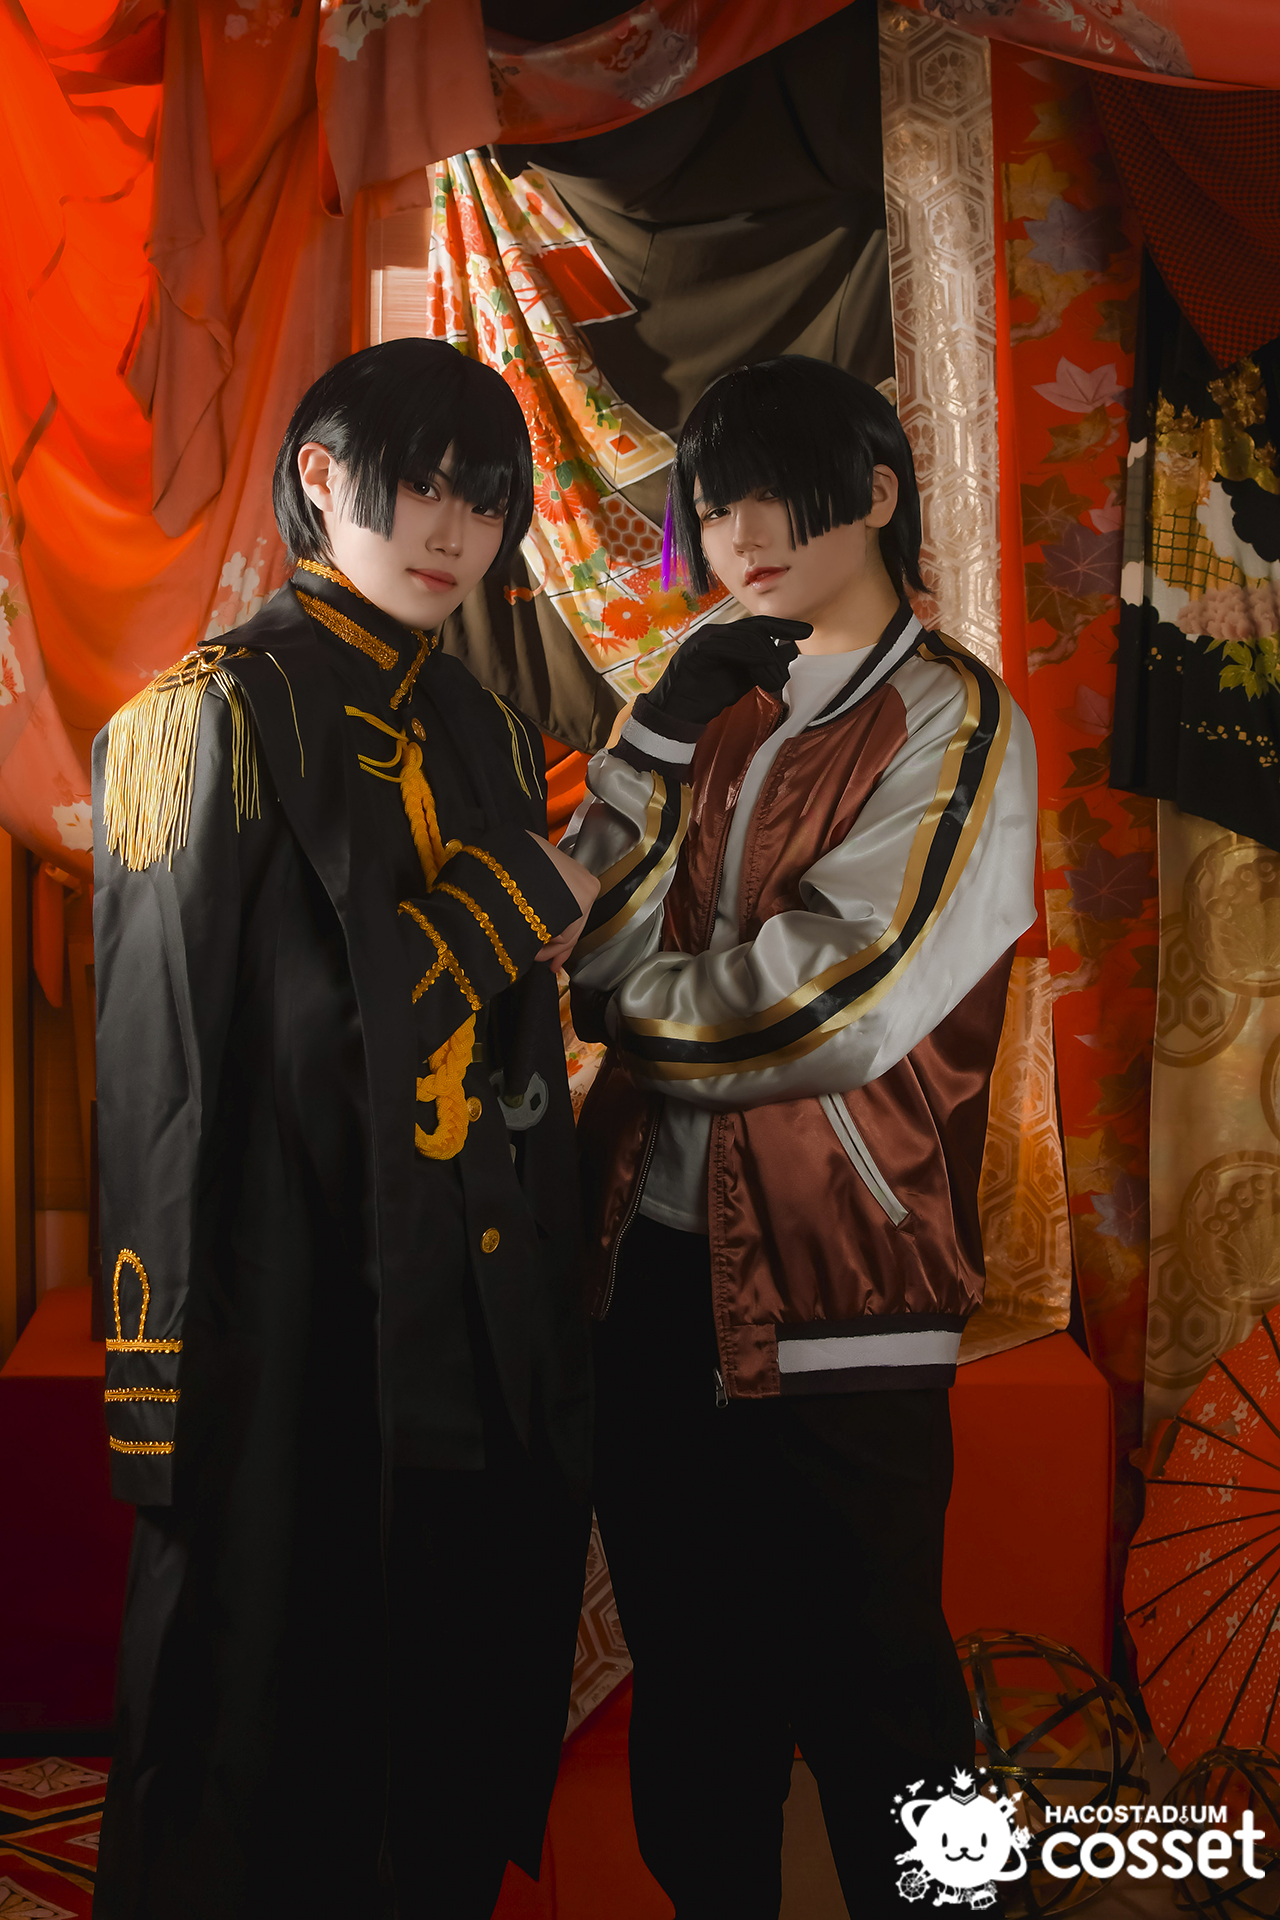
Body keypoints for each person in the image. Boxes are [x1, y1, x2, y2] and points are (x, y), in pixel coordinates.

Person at [91, 338, 600, 1920]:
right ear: (321, 479)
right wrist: (159, 1389)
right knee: (265, 1754)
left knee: (445, 1730)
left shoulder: (490, 731)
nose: (454, 531)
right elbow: (173, 1076)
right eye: (421, 488)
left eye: (485, 501)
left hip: (472, 1314)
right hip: (286, 1314)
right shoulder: (208, 721)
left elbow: (516, 1055)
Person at [564, 356, 1037, 1915]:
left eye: (773, 495)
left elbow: (837, 995)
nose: (739, 535)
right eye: (712, 507)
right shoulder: (705, 703)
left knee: (886, 1704)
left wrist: (626, 1008)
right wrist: (651, 742)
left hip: (845, 1286)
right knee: (698, 1702)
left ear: (877, 495)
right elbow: (583, 928)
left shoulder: (955, 719)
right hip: (646, 1272)